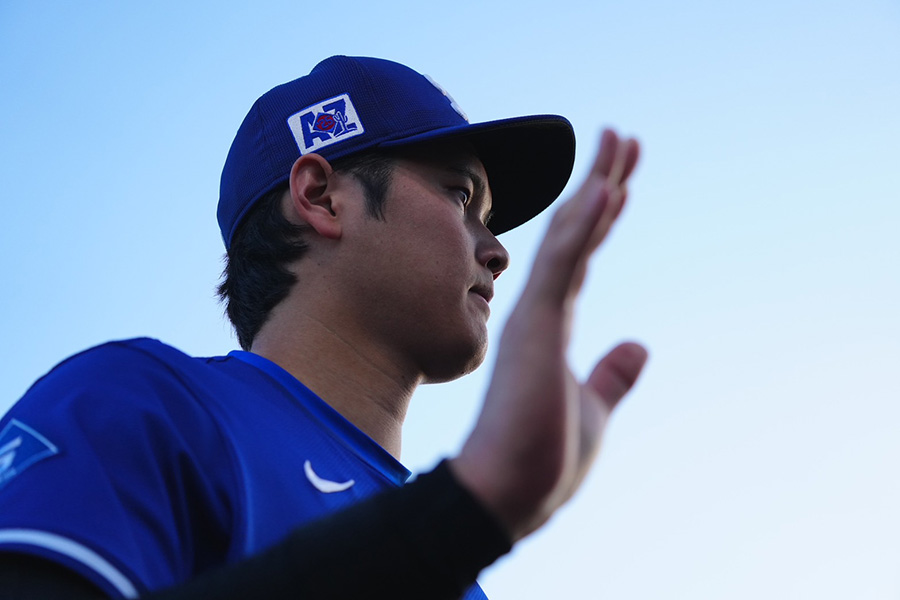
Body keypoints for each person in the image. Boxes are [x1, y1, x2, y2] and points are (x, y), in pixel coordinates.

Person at [0, 55, 646, 598]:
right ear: (321, 196)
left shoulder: (460, 561)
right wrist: (468, 508)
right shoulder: (133, 402)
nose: (497, 250)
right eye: (460, 196)